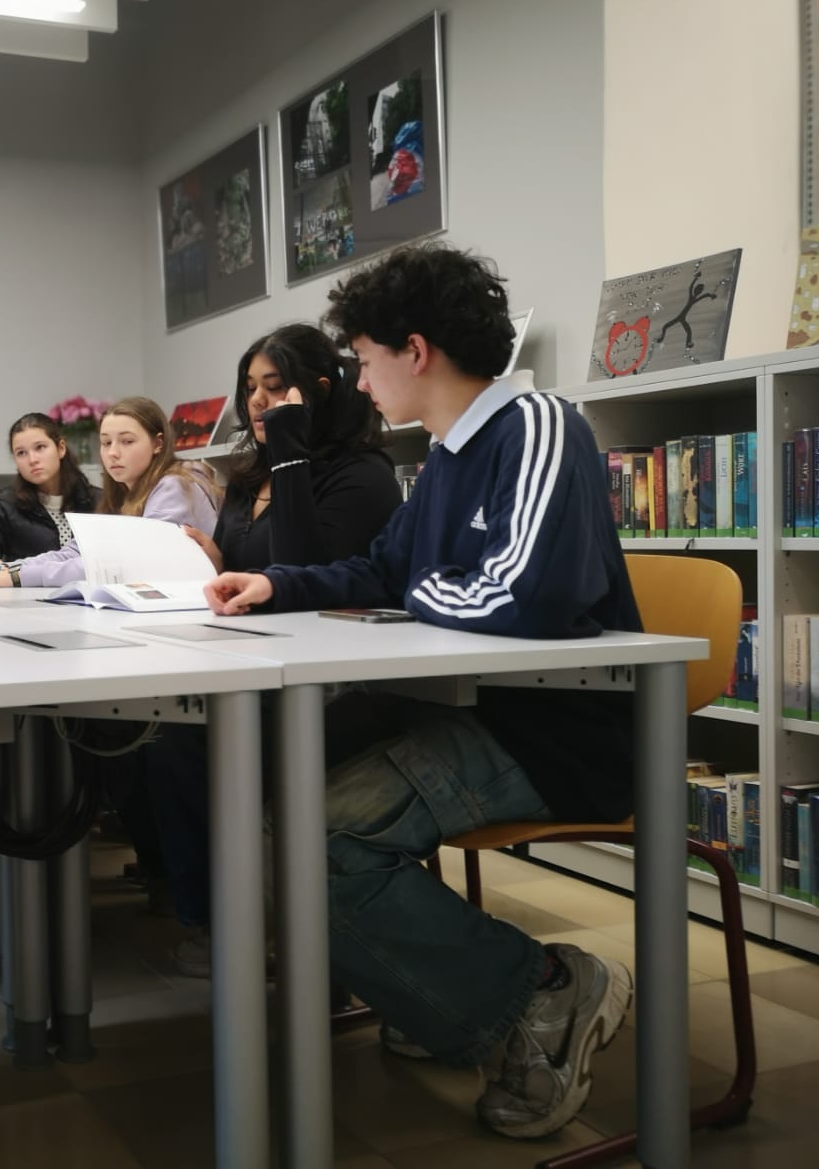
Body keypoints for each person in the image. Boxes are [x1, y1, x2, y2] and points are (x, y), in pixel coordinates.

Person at [204, 243, 639, 1139]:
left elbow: (524, 596)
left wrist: (417, 590)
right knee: (278, 812)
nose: (360, 382)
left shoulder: (539, 425)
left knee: (316, 842)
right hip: (468, 713)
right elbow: (383, 568)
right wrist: (277, 584)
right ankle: (445, 994)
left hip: (551, 733)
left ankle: (545, 991)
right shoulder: (445, 455)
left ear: (415, 350)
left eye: (365, 360)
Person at [149, 322, 402, 976]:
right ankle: (206, 906)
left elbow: (301, 569)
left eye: (275, 387)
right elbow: (251, 572)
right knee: (154, 730)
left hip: (334, 682)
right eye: (250, 388)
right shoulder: (246, 479)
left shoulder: (362, 475)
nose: (258, 401)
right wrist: (212, 559)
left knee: (183, 745)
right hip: (251, 658)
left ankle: (229, 923)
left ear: (317, 391)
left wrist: (290, 445)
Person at [0, 395, 218, 589]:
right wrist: (8, 569)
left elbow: (121, 565)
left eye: (127, 441)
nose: (113, 453)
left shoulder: (176, 484)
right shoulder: (124, 492)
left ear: (158, 444)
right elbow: (79, 551)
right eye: (106, 442)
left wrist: (15, 577)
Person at [0, 411, 98, 568]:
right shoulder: (4, 506)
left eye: (40, 447)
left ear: (61, 448)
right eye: (21, 453)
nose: (32, 460)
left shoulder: (100, 501)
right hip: (26, 584)